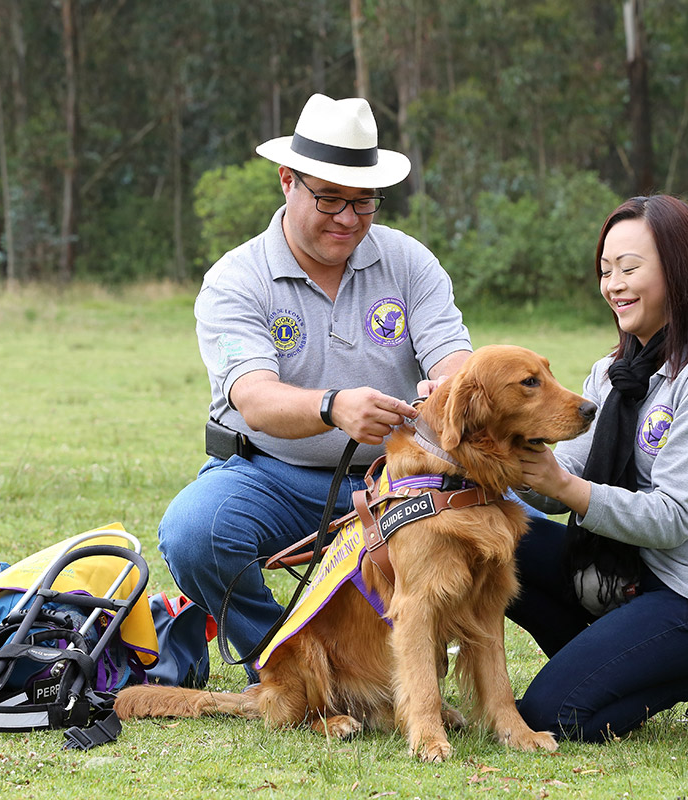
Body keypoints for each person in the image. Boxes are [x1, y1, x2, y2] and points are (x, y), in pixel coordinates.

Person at [158, 94, 472, 682]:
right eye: (329, 198)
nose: (347, 218)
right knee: (195, 531)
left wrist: (446, 388)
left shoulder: (409, 261)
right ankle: (283, 664)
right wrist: (333, 407)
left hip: (402, 475)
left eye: (363, 202)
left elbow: (455, 359)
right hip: (276, 475)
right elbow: (252, 398)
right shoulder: (236, 279)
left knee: (521, 518)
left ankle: (578, 679)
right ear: (287, 181)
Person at [507, 194, 688, 743]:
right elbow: (561, 478)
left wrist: (564, 485)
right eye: (606, 271)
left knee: (553, 716)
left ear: (680, 271)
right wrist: (481, 449)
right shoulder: (612, 371)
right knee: (501, 541)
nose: (614, 285)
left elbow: (673, 519)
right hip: (632, 575)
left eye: (630, 268)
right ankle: (613, 659)